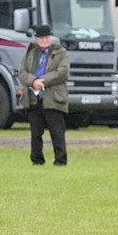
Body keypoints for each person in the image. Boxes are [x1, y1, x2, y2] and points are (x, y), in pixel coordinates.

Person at [17, 24, 70, 166]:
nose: (44, 40)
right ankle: (37, 160)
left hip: (53, 98)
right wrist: (33, 81)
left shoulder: (61, 52)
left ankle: (60, 160)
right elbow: (22, 71)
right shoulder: (30, 52)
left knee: (57, 132)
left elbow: (63, 72)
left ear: (50, 37)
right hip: (34, 97)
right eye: (41, 38)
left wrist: (42, 80)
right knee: (35, 132)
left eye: (46, 37)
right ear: (36, 39)